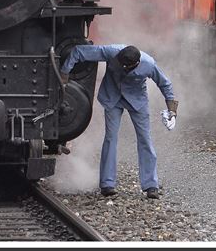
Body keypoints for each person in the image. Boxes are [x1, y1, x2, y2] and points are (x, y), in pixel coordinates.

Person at [60, 44, 178, 199]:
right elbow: (79, 51)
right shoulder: (111, 52)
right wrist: (64, 74)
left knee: (145, 139)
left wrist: (172, 110)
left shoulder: (149, 64)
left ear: (136, 63)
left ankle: (151, 185)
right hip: (112, 98)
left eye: (126, 67)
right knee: (110, 138)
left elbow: (165, 84)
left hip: (137, 101)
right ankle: (107, 184)